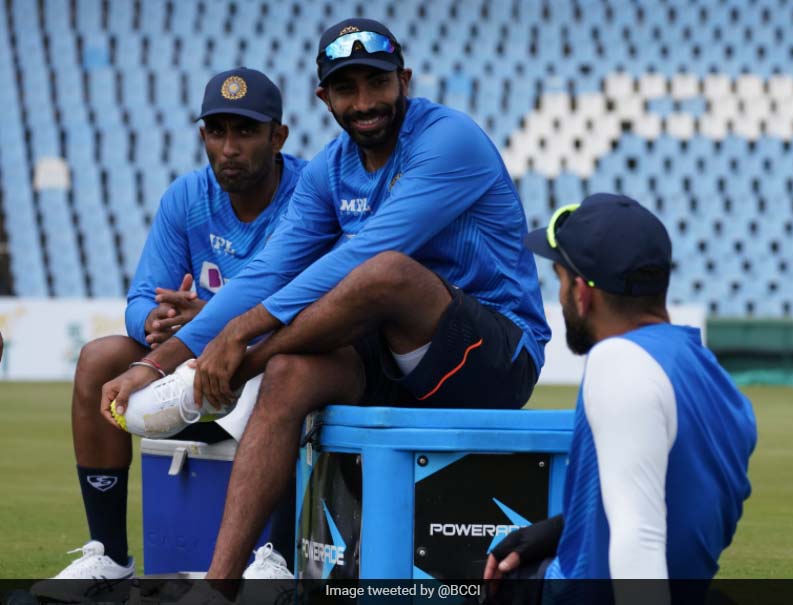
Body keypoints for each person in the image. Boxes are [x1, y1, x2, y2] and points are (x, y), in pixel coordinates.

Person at [100, 18, 552, 579]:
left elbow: (366, 261)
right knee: (290, 373)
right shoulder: (329, 171)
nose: (364, 102)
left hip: (497, 355)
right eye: (346, 88)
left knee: (384, 271)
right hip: (395, 353)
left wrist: (238, 343)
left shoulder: (448, 138)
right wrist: (153, 362)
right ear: (324, 97)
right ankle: (220, 585)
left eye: (376, 83)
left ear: (404, 79)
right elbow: (266, 272)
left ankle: (225, 380)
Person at [45, 67, 307, 582]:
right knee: (100, 358)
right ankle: (110, 558)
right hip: (191, 372)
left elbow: (307, 304)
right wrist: (157, 320)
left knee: (291, 365)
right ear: (202, 134)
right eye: (217, 131)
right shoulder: (186, 197)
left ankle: (272, 557)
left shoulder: (308, 194)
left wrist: (208, 319)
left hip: (266, 369)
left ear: (278, 137)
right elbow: (142, 297)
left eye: (246, 131)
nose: (229, 147)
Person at [484, 194, 756, 600]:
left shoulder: (619, 360)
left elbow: (639, 537)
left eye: (559, 280)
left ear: (582, 292)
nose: (559, 297)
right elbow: (682, 508)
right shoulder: (715, 378)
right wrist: (564, 529)